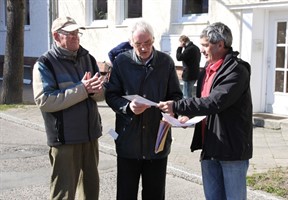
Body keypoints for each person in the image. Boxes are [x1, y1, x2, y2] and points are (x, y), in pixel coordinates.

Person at [158, 22, 253, 200]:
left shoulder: (237, 71)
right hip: (210, 146)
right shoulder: (207, 71)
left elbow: (215, 102)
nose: (201, 50)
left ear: (221, 44)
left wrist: (177, 106)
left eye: (205, 45)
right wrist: (188, 116)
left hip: (231, 149)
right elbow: (203, 102)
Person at [105, 20, 183, 200]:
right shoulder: (122, 62)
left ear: (153, 40)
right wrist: (127, 107)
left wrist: (172, 109)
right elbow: (112, 95)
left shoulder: (165, 62)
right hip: (128, 142)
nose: (143, 48)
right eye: (138, 44)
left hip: (157, 141)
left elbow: (177, 96)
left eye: (147, 43)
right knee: (126, 194)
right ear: (131, 43)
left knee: (154, 195)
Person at [32, 16, 106, 200]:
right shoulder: (45, 64)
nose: (75, 37)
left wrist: (97, 90)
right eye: (70, 33)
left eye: (76, 33)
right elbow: (45, 100)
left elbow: (99, 95)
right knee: (63, 193)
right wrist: (83, 89)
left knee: (90, 191)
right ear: (56, 36)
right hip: (64, 140)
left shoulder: (88, 58)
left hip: (90, 136)